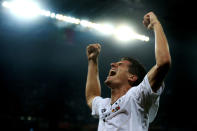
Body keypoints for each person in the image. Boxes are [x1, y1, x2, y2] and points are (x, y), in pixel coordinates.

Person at [85, 12, 171, 131]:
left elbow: (163, 63)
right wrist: (92, 61)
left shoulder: (137, 96)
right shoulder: (104, 105)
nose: (112, 64)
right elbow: (91, 97)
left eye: (120, 64)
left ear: (132, 77)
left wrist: (156, 24)